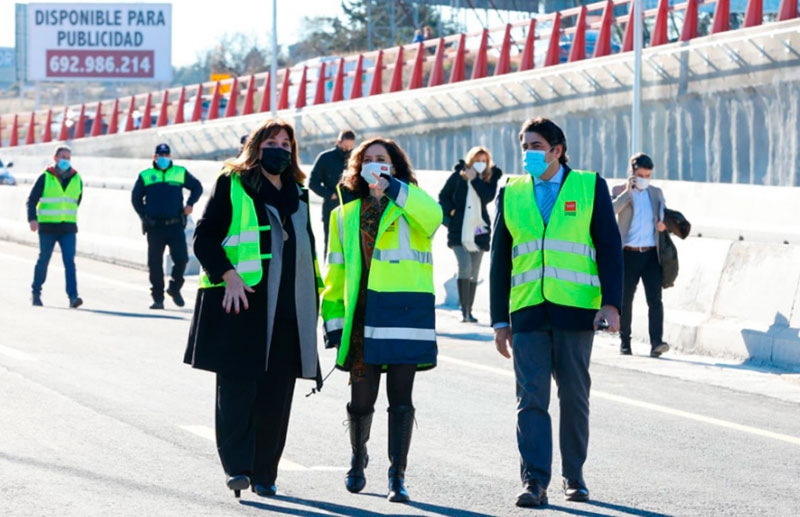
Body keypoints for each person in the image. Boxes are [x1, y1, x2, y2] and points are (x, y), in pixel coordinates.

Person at [183, 118, 323, 499]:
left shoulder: (300, 192)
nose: (280, 148)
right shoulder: (233, 183)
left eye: (286, 143)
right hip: (244, 301)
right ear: (257, 146)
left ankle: (265, 474)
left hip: (289, 307)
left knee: (277, 396)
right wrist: (227, 275)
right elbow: (204, 237)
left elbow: (306, 249)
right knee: (237, 390)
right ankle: (237, 467)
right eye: (272, 141)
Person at [490, 117, 623, 507]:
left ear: (557, 150)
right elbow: (500, 259)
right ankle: (534, 481)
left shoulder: (588, 186)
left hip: (575, 309)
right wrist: (500, 320)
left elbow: (609, 248)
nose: (527, 153)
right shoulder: (510, 192)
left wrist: (611, 304)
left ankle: (574, 477)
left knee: (574, 396)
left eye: (535, 146)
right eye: (524, 146)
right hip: (528, 311)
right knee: (531, 398)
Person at [321, 137, 442, 503]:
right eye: (368, 160)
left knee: (400, 399)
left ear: (395, 167)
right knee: (362, 399)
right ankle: (358, 459)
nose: (375, 165)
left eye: (382, 160)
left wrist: (396, 190)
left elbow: (434, 218)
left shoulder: (410, 204)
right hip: (362, 316)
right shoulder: (342, 215)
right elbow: (335, 273)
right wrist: (333, 322)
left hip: (406, 312)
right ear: (357, 168)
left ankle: (397, 475)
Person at [131, 143, 203, 309]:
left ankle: (174, 287)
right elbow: (136, 198)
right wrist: (143, 216)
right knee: (155, 263)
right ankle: (158, 298)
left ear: (170, 156)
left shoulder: (179, 172)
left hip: (175, 225)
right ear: (154, 157)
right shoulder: (146, 175)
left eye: (166, 155)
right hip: (154, 227)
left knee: (182, 259)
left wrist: (190, 204)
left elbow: (197, 187)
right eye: (160, 155)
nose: (163, 158)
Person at [611, 152, 669, 358]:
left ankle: (656, 343)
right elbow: (611, 212)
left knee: (655, 300)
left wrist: (663, 225)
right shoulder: (620, 191)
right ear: (632, 173)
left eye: (648, 175)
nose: (645, 179)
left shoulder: (656, 193)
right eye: (641, 174)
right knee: (626, 300)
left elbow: (665, 216)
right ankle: (625, 342)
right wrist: (627, 193)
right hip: (628, 254)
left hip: (651, 254)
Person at [438, 146, 502, 322]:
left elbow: (487, 197)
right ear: (470, 160)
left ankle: (469, 310)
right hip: (459, 228)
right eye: (477, 160)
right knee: (464, 266)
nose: (480, 164)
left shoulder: (490, 177)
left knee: (475, 270)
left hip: (479, 228)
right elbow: (443, 196)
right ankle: (463, 310)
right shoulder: (459, 176)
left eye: (483, 161)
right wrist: (450, 212)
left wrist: (475, 180)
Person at [26, 145, 84, 308]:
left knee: (69, 262)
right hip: (48, 227)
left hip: (68, 228)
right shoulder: (45, 177)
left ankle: (73, 297)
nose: (65, 160)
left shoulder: (76, 178)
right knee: (44, 260)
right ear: (55, 158)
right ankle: (36, 293)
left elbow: (76, 201)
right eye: (63, 157)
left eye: (68, 158)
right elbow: (32, 200)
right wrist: (32, 219)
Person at [309, 129, 356, 258]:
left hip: (352, 209)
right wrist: (330, 195)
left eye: (351, 147)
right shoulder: (325, 158)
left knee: (351, 246)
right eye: (345, 147)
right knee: (331, 246)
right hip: (331, 208)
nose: (347, 150)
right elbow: (313, 183)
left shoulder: (355, 159)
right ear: (338, 142)